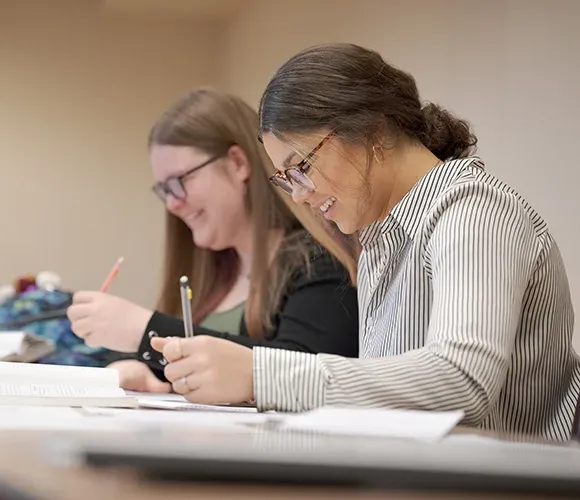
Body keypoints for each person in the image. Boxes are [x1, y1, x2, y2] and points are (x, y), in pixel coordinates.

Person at [153, 43, 580, 441]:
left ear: (371, 130)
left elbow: (461, 380)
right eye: (286, 179)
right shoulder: (378, 237)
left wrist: (260, 375)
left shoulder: (473, 211)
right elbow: (386, 395)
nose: (299, 195)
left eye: (301, 166)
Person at [67, 88, 359, 393]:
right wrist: (138, 368)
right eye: (165, 189)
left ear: (237, 163)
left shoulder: (320, 259)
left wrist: (144, 330)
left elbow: (308, 370)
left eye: (181, 181)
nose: (173, 204)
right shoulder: (211, 271)